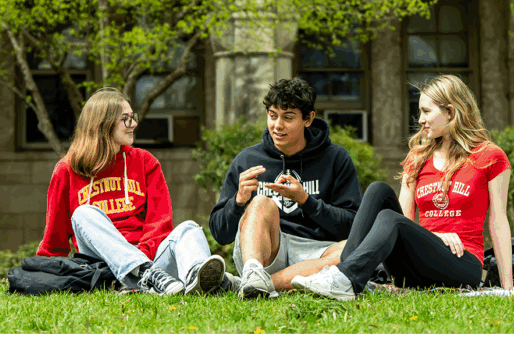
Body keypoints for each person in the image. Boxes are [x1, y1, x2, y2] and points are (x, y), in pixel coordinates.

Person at [291, 74, 514, 300]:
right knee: (378, 190)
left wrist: (508, 287)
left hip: (462, 263)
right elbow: (404, 221)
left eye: (427, 112)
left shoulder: (489, 156)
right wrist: (435, 236)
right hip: (414, 265)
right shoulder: (417, 157)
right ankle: (343, 273)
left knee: (389, 217)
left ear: (451, 112)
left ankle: (344, 278)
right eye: (420, 112)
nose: (420, 120)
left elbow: (498, 222)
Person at [37, 87, 233, 295]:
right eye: (125, 119)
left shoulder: (145, 162)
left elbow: (160, 223)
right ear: (103, 125)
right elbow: (55, 238)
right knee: (83, 214)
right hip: (104, 269)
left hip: (154, 268)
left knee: (189, 228)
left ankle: (198, 281)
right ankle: (145, 276)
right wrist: (40, 272)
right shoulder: (67, 169)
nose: (134, 124)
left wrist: (142, 259)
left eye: (133, 117)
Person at [208, 77, 362, 298]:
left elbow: (352, 227)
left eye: (288, 118)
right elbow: (220, 234)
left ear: (308, 119)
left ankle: (259, 284)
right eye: (272, 116)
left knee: (352, 250)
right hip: (267, 252)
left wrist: (306, 201)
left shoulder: (336, 158)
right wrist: (239, 201)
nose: (277, 125)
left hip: (317, 253)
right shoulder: (247, 159)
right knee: (260, 202)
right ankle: (255, 276)